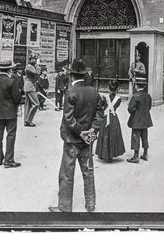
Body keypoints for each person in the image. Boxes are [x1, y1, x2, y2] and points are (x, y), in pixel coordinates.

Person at [49, 59, 104, 213]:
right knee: (88, 171)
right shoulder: (94, 91)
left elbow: (68, 118)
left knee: (67, 172)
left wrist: (80, 131)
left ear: (71, 75)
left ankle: (65, 207)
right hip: (87, 140)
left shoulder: (71, 91)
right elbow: (100, 114)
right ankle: (90, 204)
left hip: (72, 139)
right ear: (84, 75)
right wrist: (92, 130)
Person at [0, 60, 23, 168]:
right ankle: (8, 160)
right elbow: (17, 98)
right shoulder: (11, 82)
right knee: (11, 135)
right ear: (10, 70)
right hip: (10, 112)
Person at [95, 80, 125, 162]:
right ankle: (110, 155)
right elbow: (116, 107)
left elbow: (99, 106)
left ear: (108, 88)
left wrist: (103, 108)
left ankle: (102, 154)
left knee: (104, 134)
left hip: (105, 117)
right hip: (113, 117)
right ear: (117, 88)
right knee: (112, 135)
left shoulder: (104, 97)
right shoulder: (118, 99)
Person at [127, 78, 153, 163]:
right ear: (144, 86)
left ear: (136, 85)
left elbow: (130, 109)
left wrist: (130, 106)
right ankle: (145, 154)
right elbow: (149, 107)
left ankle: (135, 156)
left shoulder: (135, 96)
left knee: (136, 137)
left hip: (136, 120)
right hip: (145, 120)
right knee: (144, 136)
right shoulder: (148, 95)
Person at [23, 57, 40, 127]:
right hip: (30, 87)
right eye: (33, 59)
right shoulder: (29, 67)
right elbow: (37, 72)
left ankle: (26, 121)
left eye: (35, 59)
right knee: (36, 104)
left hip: (30, 87)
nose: (35, 60)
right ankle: (28, 120)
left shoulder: (31, 66)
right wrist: (38, 65)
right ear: (30, 59)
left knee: (28, 105)